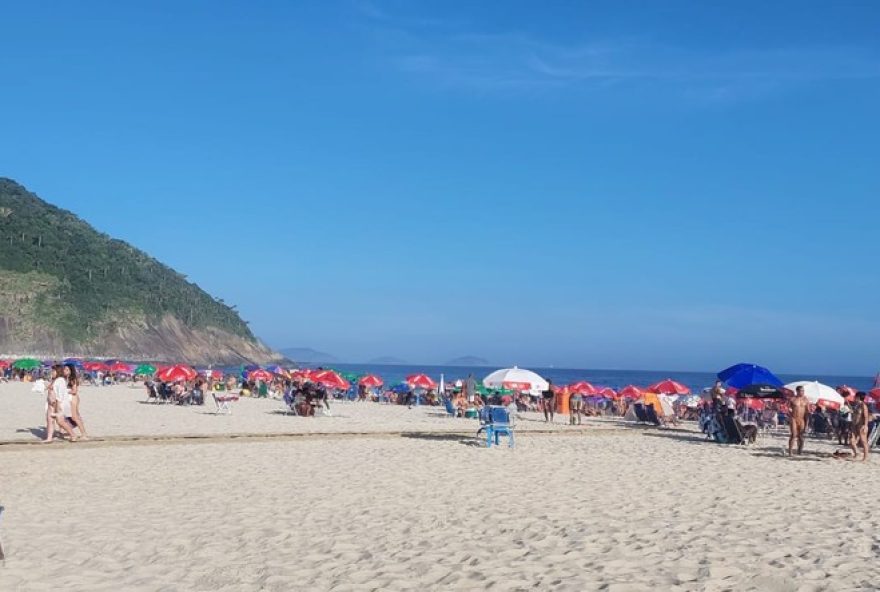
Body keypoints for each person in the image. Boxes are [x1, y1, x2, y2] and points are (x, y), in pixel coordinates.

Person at [43, 365, 77, 443]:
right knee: (49, 420)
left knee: (60, 421)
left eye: (53, 371)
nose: (52, 372)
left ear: (57, 372)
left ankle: (72, 434)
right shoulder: (54, 380)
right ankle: (49, 438)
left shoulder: (60, 380)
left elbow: (60, 394)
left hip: (58, 404)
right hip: (50, 403)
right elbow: (51, 389)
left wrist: (58, 405)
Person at [64, 364, 89, 439]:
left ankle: (84, 434)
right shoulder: (65, 378)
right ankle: (69, 431)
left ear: (71, 371)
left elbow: (74, 391)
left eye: (67, 370)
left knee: (75, 417)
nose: (64, 371)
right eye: (64, 369)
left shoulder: (72, 379)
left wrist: (65, 391)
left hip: (73, 398)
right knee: (69, 416)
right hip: (69, 398)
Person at [788, 385, 809, 456]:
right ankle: (790, 452)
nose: (802, 392)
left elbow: (807, 412)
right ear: (797, 391)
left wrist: (807, 424)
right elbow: (788, 409)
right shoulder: (792, 399)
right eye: (801, 391)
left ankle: (800, 451)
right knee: (793, 435)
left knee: (801, 436)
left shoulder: (806, 400)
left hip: (802, 419)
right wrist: (789, 414)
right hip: (794, 418)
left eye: (803, 391)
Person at [849, 392, 870, 462]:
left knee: (864, 441)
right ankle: (856, 453)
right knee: (852, 441)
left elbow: (866, 416)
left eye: (855, 396)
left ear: (858, 397)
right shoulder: (856, 405)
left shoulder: (863, 405)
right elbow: (855, 415)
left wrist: (866, 426)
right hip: (854, 425)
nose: (854, 397)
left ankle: (865, 458)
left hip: (861, 425)